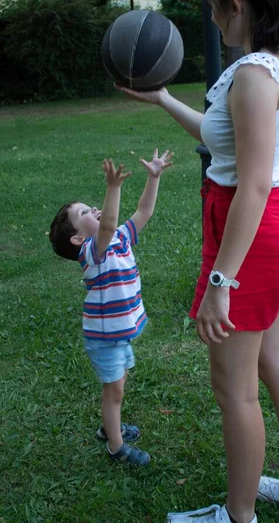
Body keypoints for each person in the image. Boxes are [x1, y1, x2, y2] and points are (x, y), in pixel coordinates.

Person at [116, 0, 279, 523]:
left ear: (235, 5)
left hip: (253, 234)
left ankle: (237, 516)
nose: (211, 17)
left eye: (213, 6)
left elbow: (250, 186)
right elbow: (225, 139)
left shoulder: (255, 79)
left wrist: (219, 280)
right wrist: (162, 98)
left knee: (234, 389)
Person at [49, 149, 173, 466]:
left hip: (119, 333)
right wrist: (113, 188)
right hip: (105, 338)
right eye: (84, 214)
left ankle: (110, 427)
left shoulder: (119, 238)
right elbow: (107, 226)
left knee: (118, 386)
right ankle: (115, 447)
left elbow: (143, 212)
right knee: (113, 393)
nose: (94, 210)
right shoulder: (92, 252)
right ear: (78, 239)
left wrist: (153, 177)